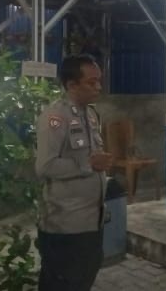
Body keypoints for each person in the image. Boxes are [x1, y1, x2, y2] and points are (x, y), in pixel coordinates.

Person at [35, 54, 113, 291]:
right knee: (61, 283)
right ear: (71, 84)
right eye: (91, 82)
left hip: (91, 222)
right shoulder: (55, 117)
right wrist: (89, 164)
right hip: (65, 226)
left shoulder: (90, 114)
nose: (98, 87)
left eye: (99, 80)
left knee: (83, 278)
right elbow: (45, 166)